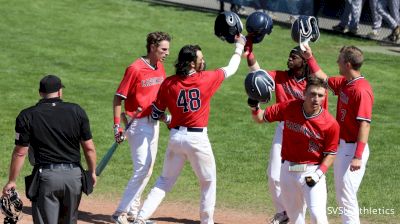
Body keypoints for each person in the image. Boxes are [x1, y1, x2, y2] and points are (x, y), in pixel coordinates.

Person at [133, 35, 246, 224]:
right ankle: (206, 221)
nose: (203, 61)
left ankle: (140, 217)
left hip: (176, 138)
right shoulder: (206, 79)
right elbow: (232, 68)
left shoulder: (168, 83)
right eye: (200, 59)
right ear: (192, 64)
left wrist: (170, 118)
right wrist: (239, 47)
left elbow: (156, 114)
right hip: (197, 140)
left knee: (164, 181)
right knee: (208, 182)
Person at [245, 40, 327, 223]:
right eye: (289, 56)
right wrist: (249, 53)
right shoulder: (281, 77)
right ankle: (285, 213)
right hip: (284, 130)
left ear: (303, 61)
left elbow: (323, 86)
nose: (289, 59)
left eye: (294, 57)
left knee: (300, 171)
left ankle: (300, 209)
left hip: (307, 133)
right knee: (274, 175)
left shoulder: (312, 85)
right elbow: (258, 74)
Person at [1, 74, 97, 223]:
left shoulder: (27, 115)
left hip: (46, 178)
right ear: (60, 92)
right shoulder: (77, 111)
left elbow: (20, 153)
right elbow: (89, 148)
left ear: (40, 93)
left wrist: (12, 180)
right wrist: (92, 172)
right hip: (74, 177)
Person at [248, 76, 339, 224]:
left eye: (320, 95)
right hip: (288, 170)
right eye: (312, 94)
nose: (316, 99)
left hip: (312, 171)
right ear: (304, 93)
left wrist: (318, 174)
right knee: (295, 218)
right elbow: (261, 117)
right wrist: (254, 106)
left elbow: (331, 153)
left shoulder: (330, 124)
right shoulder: (289, 107)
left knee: (318, 216)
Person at [303, 44, 374, 224]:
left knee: (347, 196)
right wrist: (310, 57)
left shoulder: (361, 90)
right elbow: (323, 78)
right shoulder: (346, 83)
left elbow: (364, 125)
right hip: (343, 148)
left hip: (353, 150)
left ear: (348, 64)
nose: (337, 62)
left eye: (340, 60)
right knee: (344, 195)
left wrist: (357, 156)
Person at [111, 31, 171, 224]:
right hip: (135, 123)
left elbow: (159, 96)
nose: (167, 53)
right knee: (141, 169)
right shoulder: (135, 68)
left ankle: (133, 213)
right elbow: (118, 98)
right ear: (152, 47)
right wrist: (117, 127)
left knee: (148, 169)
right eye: (164, 49)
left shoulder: (160, 67)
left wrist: (162, 114)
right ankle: (120, 212)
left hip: (153, 124)